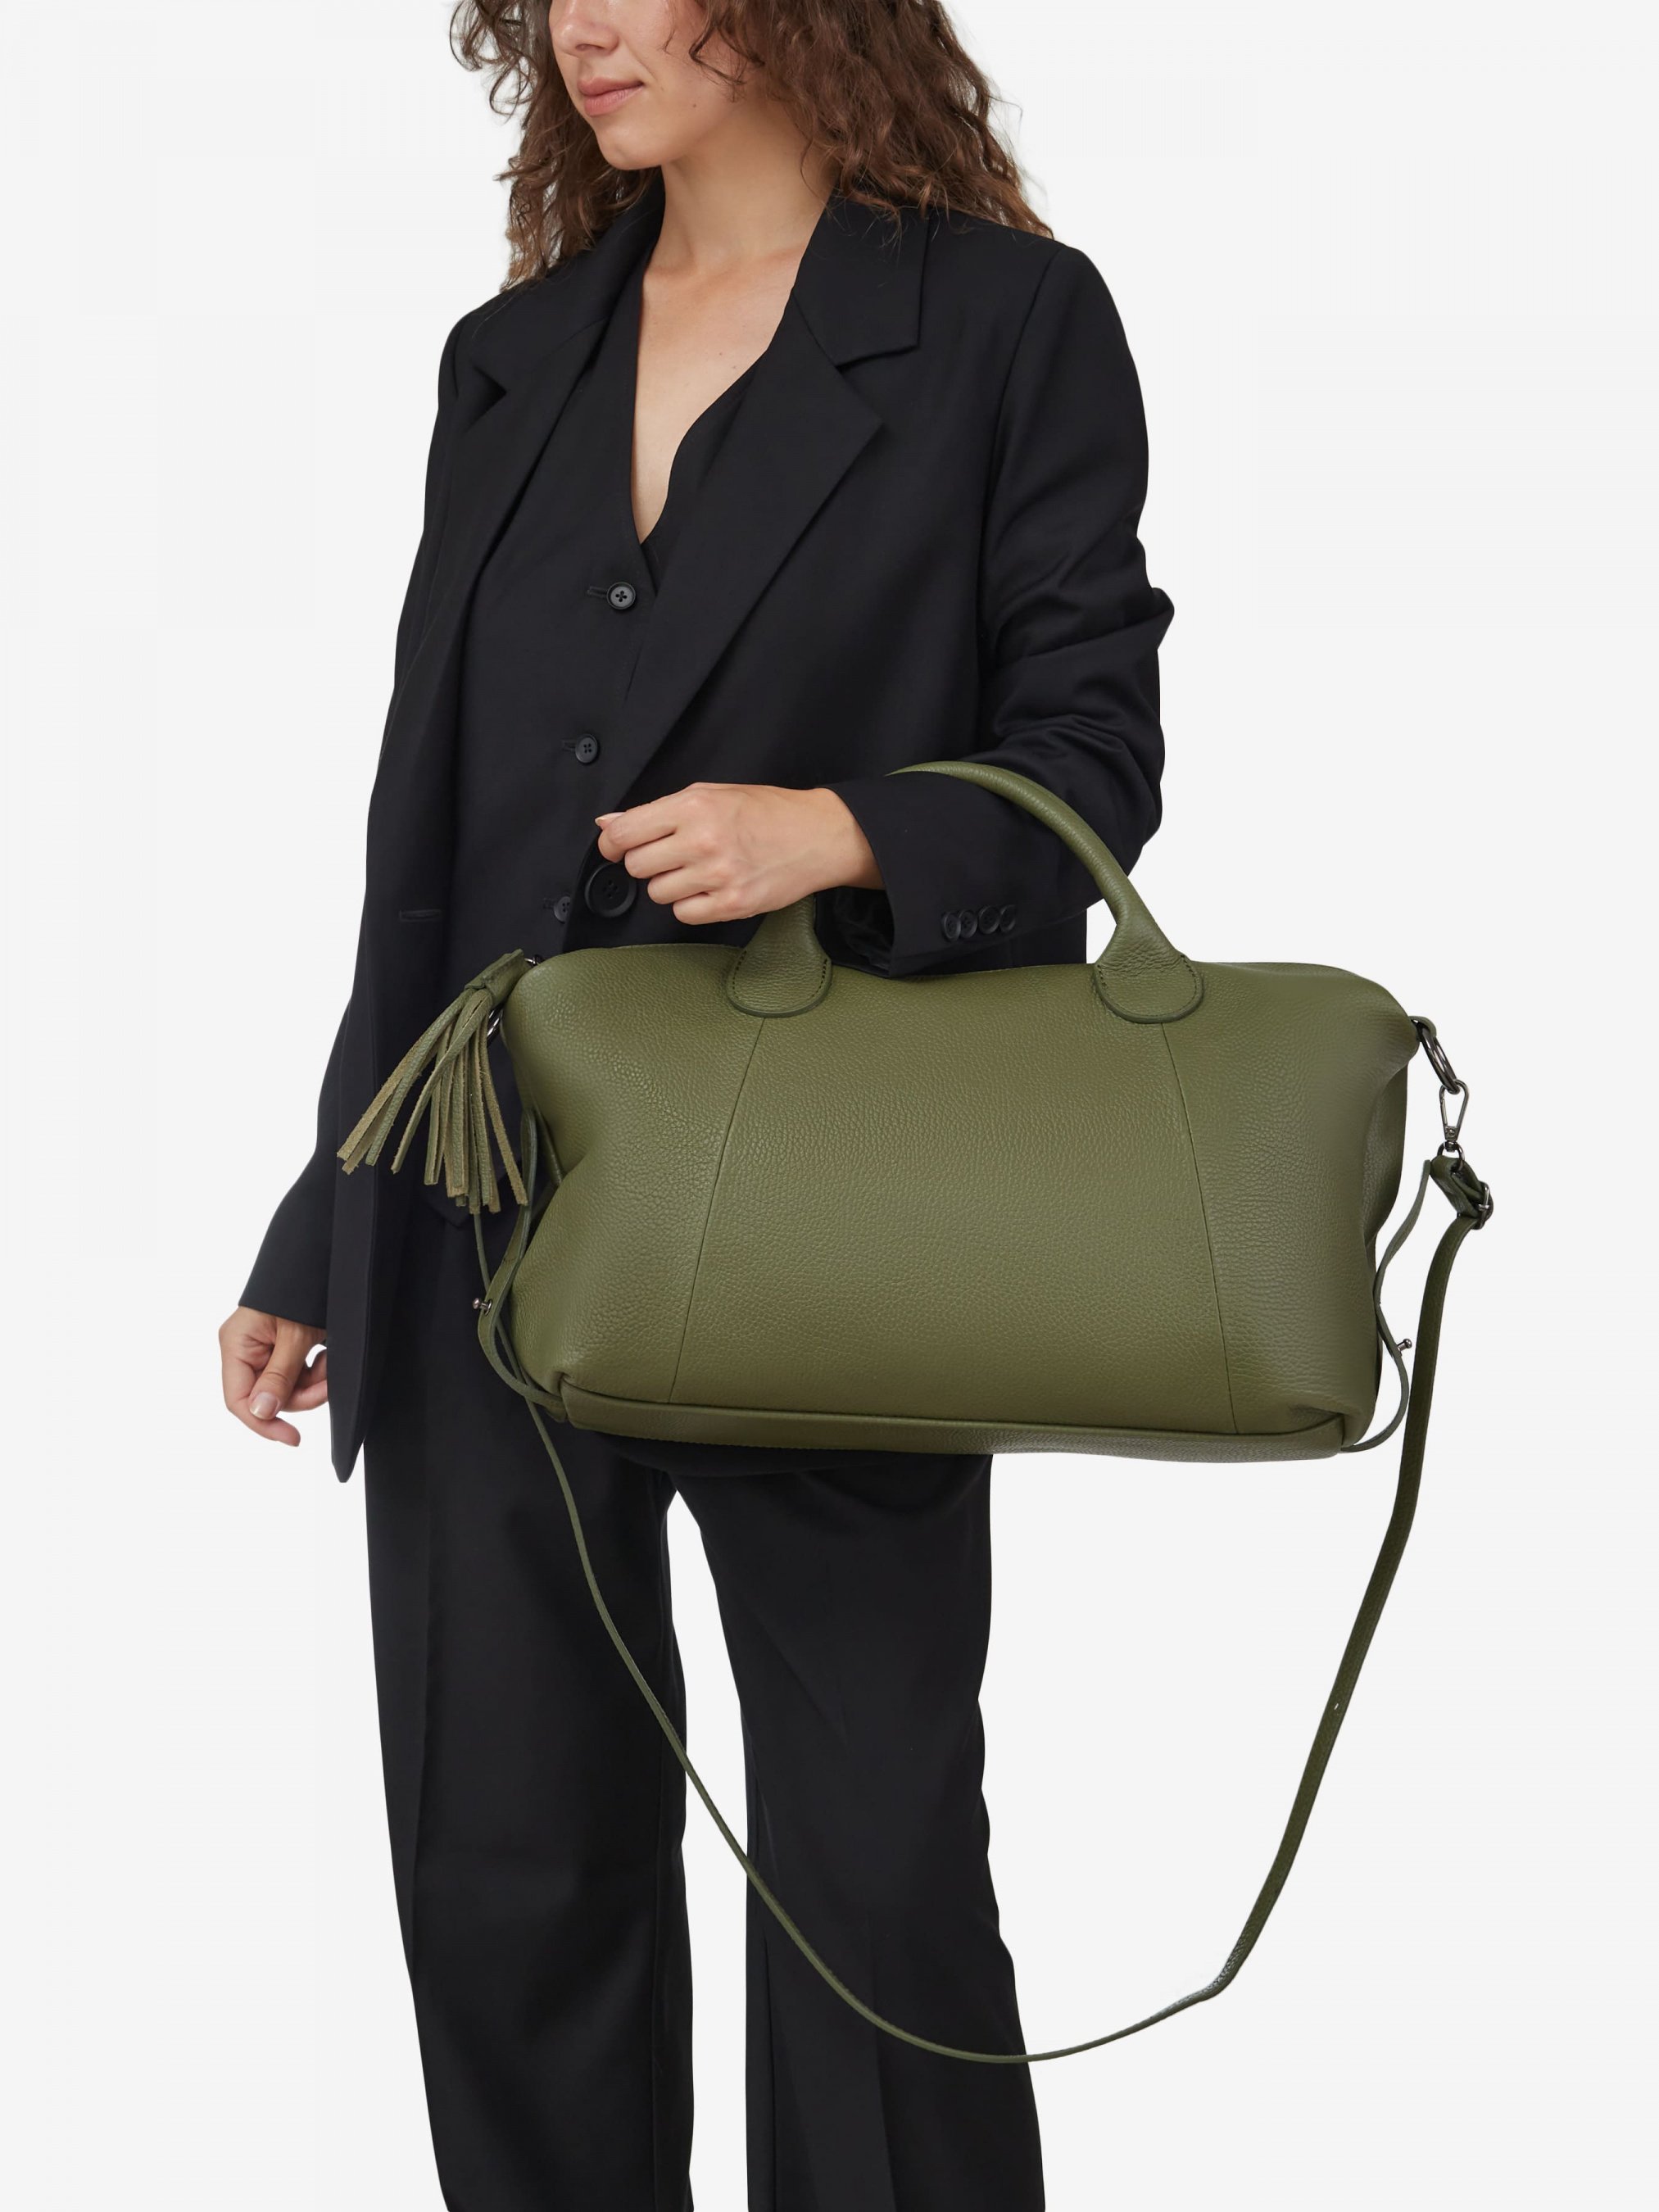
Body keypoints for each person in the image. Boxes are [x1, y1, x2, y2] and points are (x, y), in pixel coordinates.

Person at [218, 2, 1172, 2203]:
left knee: (874, 1876)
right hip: (478, 1202)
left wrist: (840, 830)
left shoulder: (1005, 324)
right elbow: (431, 838)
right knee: (506, 1869)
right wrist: (324, 1212)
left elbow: (1094, 748)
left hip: (831, 1201)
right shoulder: (509, 358)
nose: (586, 22)